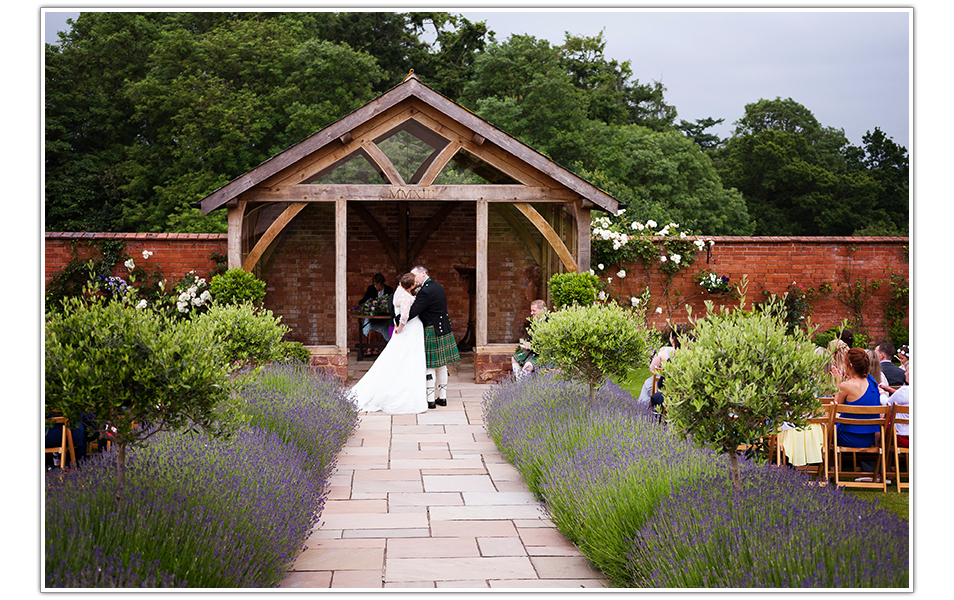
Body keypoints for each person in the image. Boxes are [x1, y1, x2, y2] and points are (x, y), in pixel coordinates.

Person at [349, 273, 427, 414]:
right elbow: (404, 316)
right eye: (415, 283)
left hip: (410, 332)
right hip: (408, 331)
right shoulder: (404, 296)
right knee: (409, 359)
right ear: (411, 286)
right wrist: (399, 328)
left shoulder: (399, 291)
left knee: (401, 359)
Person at [404, 266, 460, 409]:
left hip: (432, 330)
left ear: (424, 273)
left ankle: (430, 401)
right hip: (444, 328)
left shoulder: (425, 291)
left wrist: (399, 317)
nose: (414, 279)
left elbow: (414, 311)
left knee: (430, 366)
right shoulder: (438, 286)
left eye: (415, 275)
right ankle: (443, 398)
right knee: (442, 365)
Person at [832, 348, 882, 451]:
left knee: (826, 424)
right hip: (868, 438)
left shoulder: (846, 386)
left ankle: (831, 464)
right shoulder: (872, 383)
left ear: (850, 365)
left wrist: (837, 384)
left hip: (846, 438)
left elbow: (834, 409)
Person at [511, 300, 547, 379]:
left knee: (527, 366)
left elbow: (547, 343)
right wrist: (526, 343)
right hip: (533, 351)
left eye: (534, 311)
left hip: (545, 355)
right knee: (515, 358)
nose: (531, 313)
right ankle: (518, 382)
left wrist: (532, 346)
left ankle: (522, 387)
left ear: (543, 311)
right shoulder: (536, 322)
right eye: (531, 310)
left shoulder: (549, 323)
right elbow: (532, 338)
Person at [359, 273, 394, 342]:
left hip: (384, 317)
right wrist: (367, 305)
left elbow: (391, 303)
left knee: (382, 328)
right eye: (374, 284)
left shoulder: (389, 290)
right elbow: (363, 301)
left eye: (378, 284)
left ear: (382, 283)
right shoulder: (371, 289)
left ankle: (376, 348)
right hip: (372, 317)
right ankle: (370, 348)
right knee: (371, 329)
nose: (376, 286)